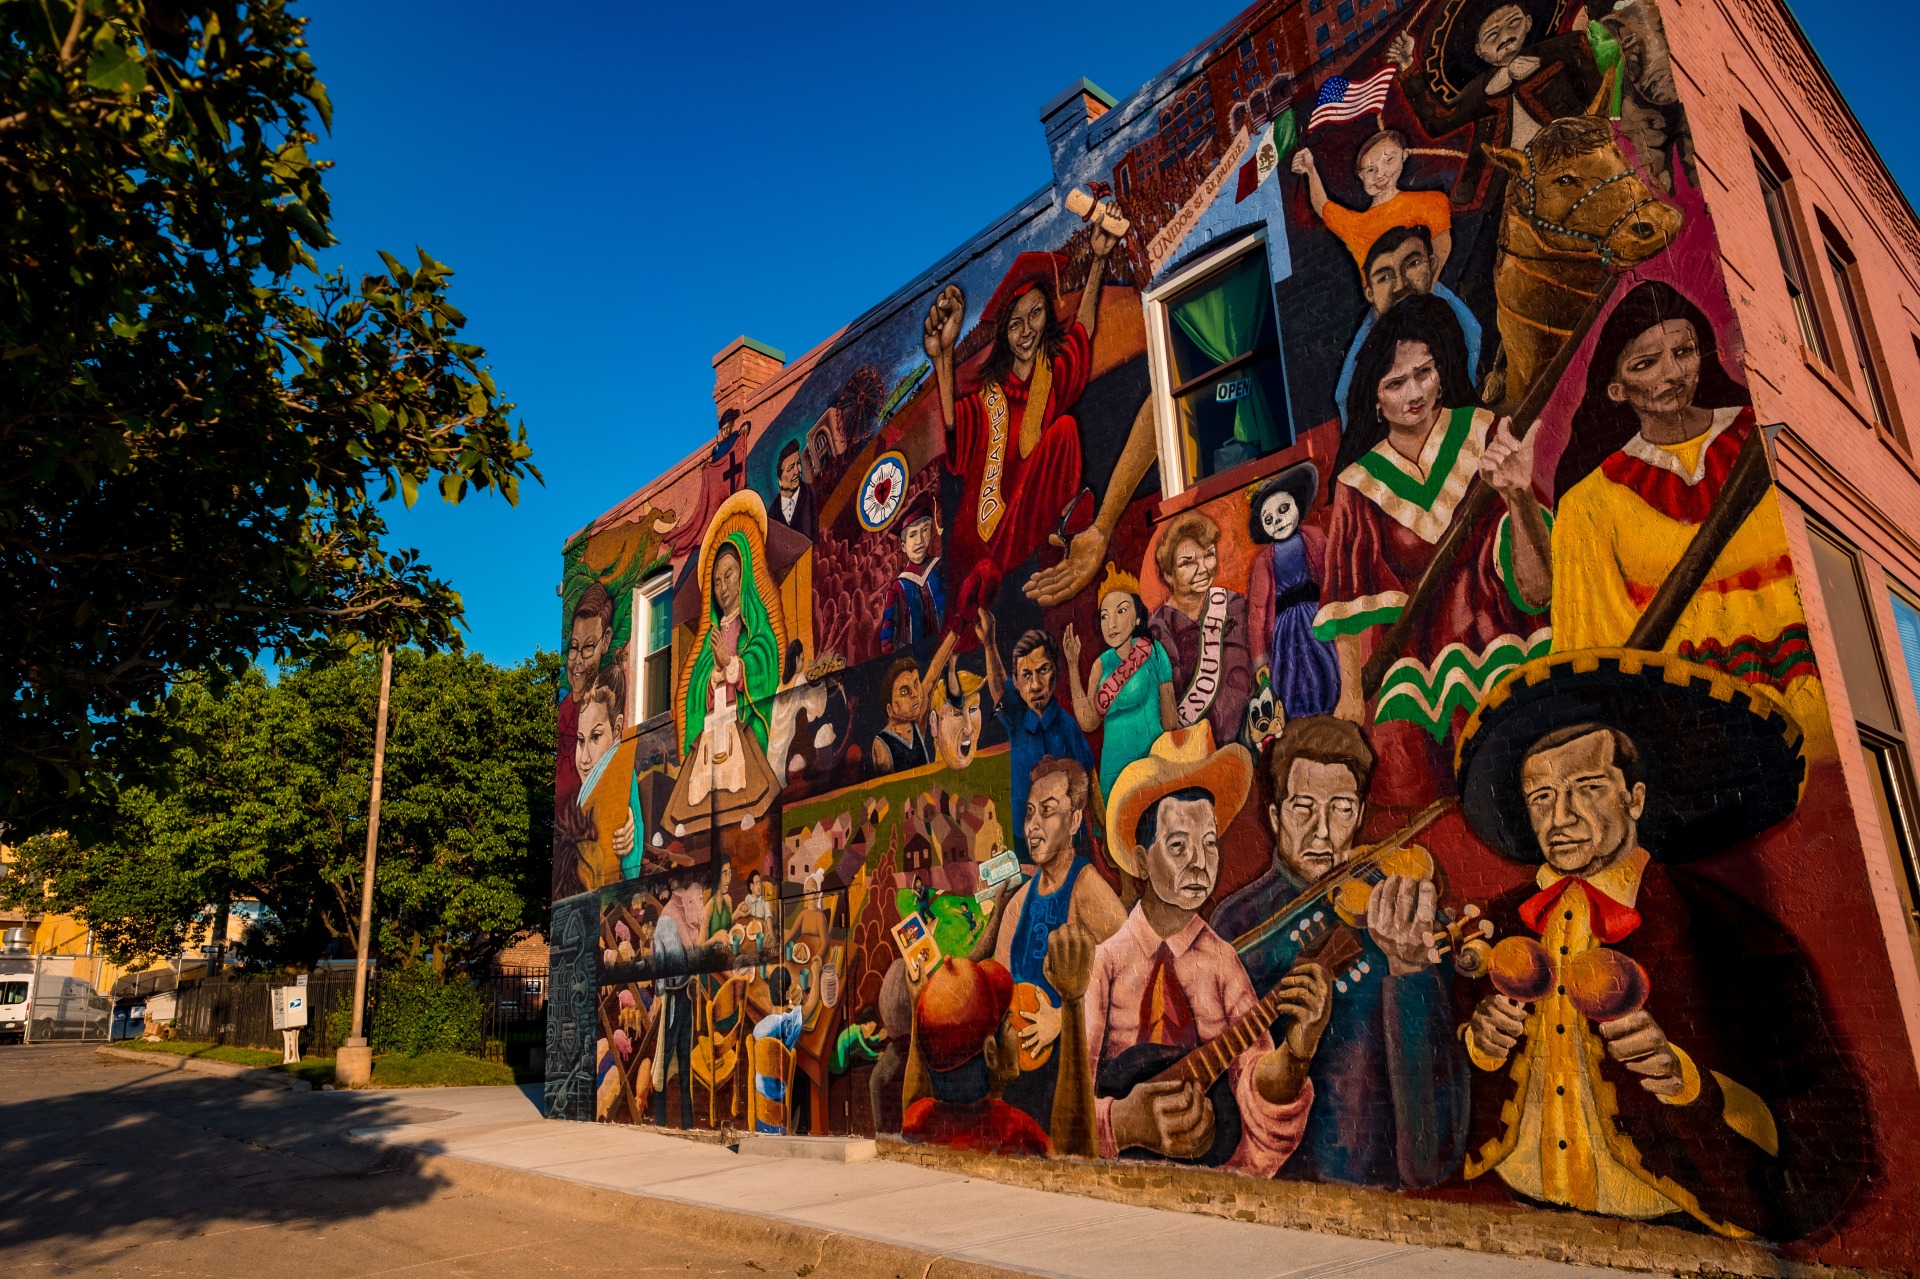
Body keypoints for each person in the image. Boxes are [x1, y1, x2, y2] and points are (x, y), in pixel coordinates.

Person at [1453, 657, 1867, 1241]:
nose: (1561, 817)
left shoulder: (1727, 932)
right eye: (1542, 797)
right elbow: (1431, 1095)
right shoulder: (1494, 926)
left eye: (1587, 789)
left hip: (1669, 1225)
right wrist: (1479, 1047)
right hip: (1513, 1217)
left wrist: (1687, 1083)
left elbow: (1823, 1125)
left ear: (1636, 798)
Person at [1548, 281, 1822, 736]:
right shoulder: (1588, 504)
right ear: (1616, 389)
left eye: (1684, 352)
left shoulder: (1769, 439)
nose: (1670, 374)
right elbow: (1593, 650)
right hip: (1687, 724)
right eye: (1644, 364)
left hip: (1819, 703)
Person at [1210, 718, 1469, 1189]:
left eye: (1342, 809)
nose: (1324, 832)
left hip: (1381, 1183)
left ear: (1362, 814)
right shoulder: (1236, 925)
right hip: (1276, 1180)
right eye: (1303, 808)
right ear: (1274, 817)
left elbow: (1435, 1126)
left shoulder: (1398, 911)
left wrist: (1409, 970)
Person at [1313, 295, 1551, 790]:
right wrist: (1351, 696)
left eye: (1424, 372)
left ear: (1442, 372)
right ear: (1375, 400)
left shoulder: (1487, 433)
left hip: (1506, 637)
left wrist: (1518, 493)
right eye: (1396, 383)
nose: (1414, 391)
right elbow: (1348, 596)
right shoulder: (1358, 484)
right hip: (1418, 667)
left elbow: (1539, 572)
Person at [1073, 726, 1331, 1174]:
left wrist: (1297, 1052)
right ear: (1139, 861)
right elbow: (1070, 1101)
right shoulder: (1105, 963)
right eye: (1178, 845)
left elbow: (1254, 1082)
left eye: (1209, 843)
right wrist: (1123, 1124)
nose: (1200, 861)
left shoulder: (1221, 963)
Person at [922, 208, 1122, 621]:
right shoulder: (989, 398)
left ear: (1047, 315)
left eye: (1035, 314)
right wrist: (943, 357)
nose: (1026, 330)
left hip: (1028, 527)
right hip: (982, 538)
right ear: (1004, 335)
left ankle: (1062, 524)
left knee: (1065, 428)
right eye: (1014, 324)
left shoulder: (1051, 377)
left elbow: (1083, 332)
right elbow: (955, 437)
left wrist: (1099, 259)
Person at [967, 757, 1127, 1144]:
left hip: (1067, 1072)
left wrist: (1062, 1018)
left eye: (1048, 812)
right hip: (1018, 1073)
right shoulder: (1019, 901)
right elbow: (1000, 981)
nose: (1033, 826)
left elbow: (1129, 967)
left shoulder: (1086, 888)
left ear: (1073, 822)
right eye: (1030, 814)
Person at [1389, 0, 1605, 209]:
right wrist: (1408, 67)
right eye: (1492, 35)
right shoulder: (1480, 90)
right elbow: (1438, 121)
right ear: (1480, 50)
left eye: (1513, 23)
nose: (1505, 36)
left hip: (1577, 162)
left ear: (1528, 22)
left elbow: (1600, 95)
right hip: (1505, 188)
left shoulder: (1564, 50)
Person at [1332, 227, 1484, 427]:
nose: (1400, 284)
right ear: (1370, 294)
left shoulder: (1457, 320)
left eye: (1413, 264)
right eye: (1384, 277)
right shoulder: (1362, 362)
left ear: (1433, 266)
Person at [903, 957, 1053, 1156]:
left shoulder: (920, 1120)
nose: (1016, 1030)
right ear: (991, 1053)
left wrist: (917, 1006)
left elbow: (912, 1106)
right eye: (1008, 1021)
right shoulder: (1023, 1133)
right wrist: (1073, 1001)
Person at [978, 614, 1095, 857]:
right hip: (1025, 840)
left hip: (1070, 839)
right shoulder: (1016, 723)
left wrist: (1103, 835)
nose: (1036, 684)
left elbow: (1090, 781)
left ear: (1055, 672)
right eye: (1027, 675)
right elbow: (999, 688)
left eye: (1043, 670)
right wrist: (989, 644)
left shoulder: (1067, 725)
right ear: (1017, 684)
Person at [1063, 564, 1176, 803]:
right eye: (1104, 616)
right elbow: (1089, 721)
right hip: (1113, 773)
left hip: (1153, 765)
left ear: (1137, 617)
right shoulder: (1100, 665)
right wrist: (1073, 665)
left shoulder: (1153, 652)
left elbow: (1170, 721)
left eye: (1121, 611)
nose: (1111, 623)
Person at [1149, 512, 1256, 750]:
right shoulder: (1159, 627)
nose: (1202, 568)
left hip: (1249, 737)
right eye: (1187, 563)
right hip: (1196, 749)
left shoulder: (1235, 605)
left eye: (1208, 556)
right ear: (1168, 574)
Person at [1246, 464, 1340, 722]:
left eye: (1283, 509)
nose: (1277, 520)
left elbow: (1331, 575)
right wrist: (1259, 658)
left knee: (1324, 662)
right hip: (1285, 628)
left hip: (1316, 617)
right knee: (1290, 672)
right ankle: (1299, 718)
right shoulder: (1263, 561)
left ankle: (1328, 710)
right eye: (1268, 519)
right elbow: (1257, 613)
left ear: (1297, 506)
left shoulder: (1314, 537)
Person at [1293, 132, 1453, 277]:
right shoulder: (1356, 226)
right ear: (1361, 177)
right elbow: (1322, 206)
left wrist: (1426, 293)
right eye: (1370, 170)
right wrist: (1310, 169)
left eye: (1389, 160)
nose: (1380, 175)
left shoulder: (1432, 202)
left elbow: (1441, 249)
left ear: (1403, 156)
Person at [557, 583, 616, 816]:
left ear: (607, 640)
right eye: (573, 648)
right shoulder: (563, 711)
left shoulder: (609, 702)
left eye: (589, 647)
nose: (578, 660)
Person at [880, 493, 947, 652]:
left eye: (924, 530)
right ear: (903, 546)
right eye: (912, 535)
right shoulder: (897, 589)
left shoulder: (941, 567)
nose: (919, 541)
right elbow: (887, 637)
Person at [769, 439, 818, 542]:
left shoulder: (810, 493)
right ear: (780, 481)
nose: (797, 471)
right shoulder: (772, 514)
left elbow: (816, 536)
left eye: (798, 463)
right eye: (791, 468)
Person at [829, 1005, 888, 1075]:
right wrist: (877, 1056)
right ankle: (827, 1058)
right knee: (840, 1067)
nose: (871, 1032)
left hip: (846, 1046)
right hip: (843, 1044)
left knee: (845, 1063)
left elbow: (869, 1040)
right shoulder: (858, 1034)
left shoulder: (862, 1030)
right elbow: (864, 1050)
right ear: (866, 1023)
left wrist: (878, 1037)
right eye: (871, 1028)